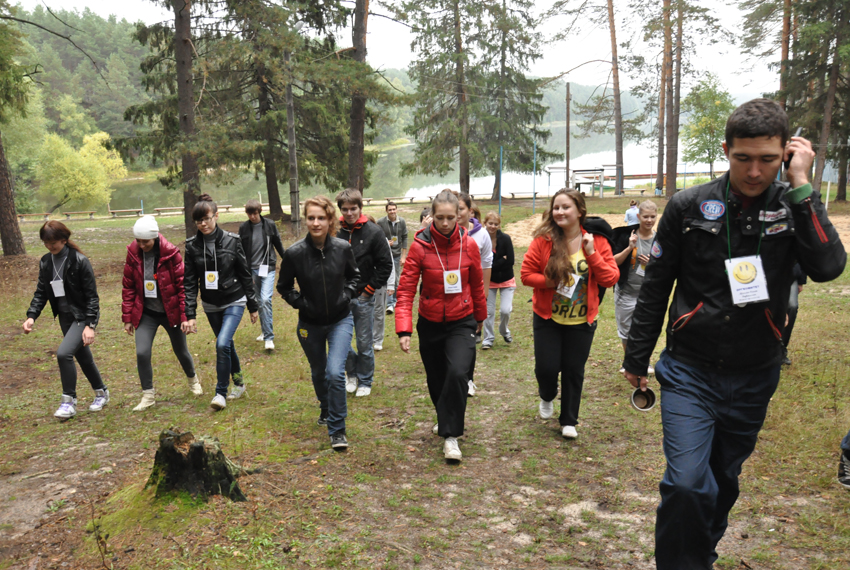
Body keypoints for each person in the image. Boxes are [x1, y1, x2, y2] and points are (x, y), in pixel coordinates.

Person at [622, 99, 846, 570]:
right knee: (687, 483)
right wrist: (636, 358)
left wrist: (802, 185)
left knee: (722, 481)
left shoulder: (792, 204)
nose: (754, 171)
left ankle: (698, 554)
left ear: (786, 154)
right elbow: (656, 286)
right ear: (726, 151)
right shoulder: (688, 206)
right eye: (743, 158)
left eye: (768, 159)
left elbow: (828, 266)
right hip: (690, 370)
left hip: (755, 373)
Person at [395, 190, 487, 461]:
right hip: (430, 322)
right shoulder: (420, 246)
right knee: (436, 379)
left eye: (450, 217)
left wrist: (480, 318)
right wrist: (404, 329)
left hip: (462, 320)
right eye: (440, 218)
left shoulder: (469, 245)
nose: (445, 223)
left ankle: (451, 436)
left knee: (458, 373)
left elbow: (477, 284)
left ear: (459, 215)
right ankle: (444, 416)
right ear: (431, 216)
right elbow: (406, 289)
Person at [521, 189, 619, 439]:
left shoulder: (596, 241)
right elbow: (526, 275)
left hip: (582, 320)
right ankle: (547, 395)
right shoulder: (544, 240)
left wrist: (592, 253)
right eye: (556, 207)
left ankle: (569, 421)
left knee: (574, 370)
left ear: (580, 211)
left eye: (566, 207)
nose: (560, 212)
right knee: (546, 368)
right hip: (548, 318)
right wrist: (551, 282)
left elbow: (610, 278)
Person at [278, 196, 359, 450]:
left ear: (330, 220)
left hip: (340, 320)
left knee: (335, 372)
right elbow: (284, 287)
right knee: (318, 371)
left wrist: (346, 296)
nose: (316, 223)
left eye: (321, 218)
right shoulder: (294, 253)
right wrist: (302, 304)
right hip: (309, 324)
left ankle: (337, 429)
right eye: (311, 218)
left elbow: (354, 277)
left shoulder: (342, 248)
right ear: (306, 220)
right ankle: (325, 407)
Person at [23, 221, 108, 420]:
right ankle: (101, 393)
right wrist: (31, 316)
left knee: (63, 354)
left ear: (64, 239)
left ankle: (68, 402)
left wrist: (90, 325)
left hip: (81, 317)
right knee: (83, 357)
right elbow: (41, 292)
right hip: (65, 318)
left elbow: (92, 297)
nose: (49, 246)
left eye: (53, 242)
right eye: (45, 243)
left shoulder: (79, 261)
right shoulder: (46, 262)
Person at [183, 194, 260, 411]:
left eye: (206, 219)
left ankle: (220, 393)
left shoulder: (232, 241)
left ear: (216, 216)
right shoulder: (192, 246)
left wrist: (253, 306)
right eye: (198, 221)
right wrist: (190, 314)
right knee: (227, 345)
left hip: (234, 299)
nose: (203, 224)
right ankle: (240, 383)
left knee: (222, 344)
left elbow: (245, 274)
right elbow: (189, 282)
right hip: (210, 304)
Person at [122, 216, 202, 411]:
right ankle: (148, 396)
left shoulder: (171, 254)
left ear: (155, 237)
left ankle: (193, 380)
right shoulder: (133, 253)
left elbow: (182, 287)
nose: (142, 245)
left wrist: (185, 316)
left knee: (181, 350)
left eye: (146, 242)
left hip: (170, 311)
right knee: (142, 352)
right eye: (138, 241)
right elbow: (129, 286)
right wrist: (128, 318)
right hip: (146, 312)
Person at [336, 188, 393, 397]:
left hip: (363, 296)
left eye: (353, 208)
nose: (349, 213)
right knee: (340, 341)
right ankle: (351, 374)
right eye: (345, 209)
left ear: (360, 208)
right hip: (339, 297)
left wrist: (369, 290)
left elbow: (385, 265)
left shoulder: (374, 232)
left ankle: (365, 380)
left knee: (363, 342)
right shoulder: (335, 231)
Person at [612, 200, 658, 373]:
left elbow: (666, 267)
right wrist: (629, 248)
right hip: (625, 292)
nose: (649, 220)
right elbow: (613, 262)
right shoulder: (627, 236)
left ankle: (645, 363)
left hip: (647, 294)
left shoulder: (659, 240)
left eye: (652, 217)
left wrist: (652, 264)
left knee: (645, 330)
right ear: (638, 216)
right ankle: (629, 364)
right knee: (626, 330)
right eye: (645, 217)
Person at [456, 192, 492, 396]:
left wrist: (483, 296)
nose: (457, 213)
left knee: (468, 339)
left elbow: (487, 264)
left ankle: (468, 379)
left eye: (461, 209)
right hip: (450, 295)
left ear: (470, 211)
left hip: (471, 296)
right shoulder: (443, 231)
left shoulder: (481, 234)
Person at [238, 200, 286, 350]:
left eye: (255, 213)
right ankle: (265, 331)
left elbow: (277, 243)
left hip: (268, 267)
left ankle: (269, 338)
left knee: (265, 299)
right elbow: (240, 249)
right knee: (259, 301)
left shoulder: (269, 225)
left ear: (259, 211)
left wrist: (287, 261)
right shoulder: (244, 228)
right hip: (251, 269)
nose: (252, 216)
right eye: (249, 214)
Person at [481, 212, 515, 349]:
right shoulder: (482, 239)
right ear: (485, 223)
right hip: (489, 281)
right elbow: (482, 263)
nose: (493, 226)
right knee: (488, 312)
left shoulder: (505, 239)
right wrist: (501, 260)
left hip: (507, 279)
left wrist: (491, 265)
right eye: (490, 223)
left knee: (505, 310)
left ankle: (504, 331)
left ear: (499, 225)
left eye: (496, 224)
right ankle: (488, 338)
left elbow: (510, 261)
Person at [369, 215, 397, 352]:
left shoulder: (382, 240)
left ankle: (378, 339)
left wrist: (391, 284)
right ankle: (368, 337)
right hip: (364, 282)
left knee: (379, 311)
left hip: (380, 282)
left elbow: (389, 262)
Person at [376, 201, 408, 314]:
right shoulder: (380, 222)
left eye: (394, 209)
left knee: (396, 278)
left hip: (397, 254)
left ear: (397, 209)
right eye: (390, 210)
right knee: (389, 277)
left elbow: (405, 237)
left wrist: (403, 256)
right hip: (385, 254)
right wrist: (385, 243)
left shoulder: (401, 221)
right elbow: (377, 237)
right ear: (386, 211)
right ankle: (390, 303)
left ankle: (393, 301)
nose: (392, 211)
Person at [781, 263, 806, 365]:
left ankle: (781, 349)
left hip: (790, 274)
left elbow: (802, 256)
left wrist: (801, 280)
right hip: (764, 275)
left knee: (792, 306)